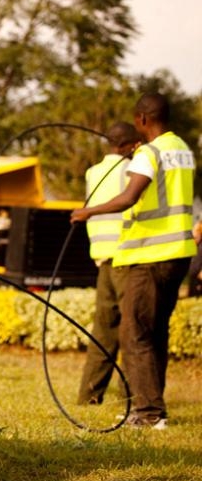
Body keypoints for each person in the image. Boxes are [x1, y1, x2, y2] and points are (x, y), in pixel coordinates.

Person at [71, 93, 196, 429]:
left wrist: (88, 211)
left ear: (142, 119)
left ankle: (148, 412)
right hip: (178, 254)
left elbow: (129, 197)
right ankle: (153, 407)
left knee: (133, 333)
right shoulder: (182, 149)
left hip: (148, 257)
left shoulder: (148, 154)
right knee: (154, 332)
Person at [76, 122, 141, 405]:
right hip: (126, 256)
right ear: (129, 145)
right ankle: (136, 398)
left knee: (103, 331)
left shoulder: (93, 172)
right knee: (132, 329)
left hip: (102, 257)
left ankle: (89, 395)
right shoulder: (132, 170)